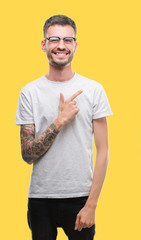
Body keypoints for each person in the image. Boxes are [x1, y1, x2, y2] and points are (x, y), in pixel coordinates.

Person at [15, 15, 112, 240]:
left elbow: (103, 151)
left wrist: (92, 204)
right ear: (44, 44)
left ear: (75, 45)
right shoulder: (29, 92)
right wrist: (60, 121)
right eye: (54, 39)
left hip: (80, 198)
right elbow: (27, 154)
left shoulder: (93, 89)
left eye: (67, 40)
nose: (61, 45)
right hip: (40, 198)